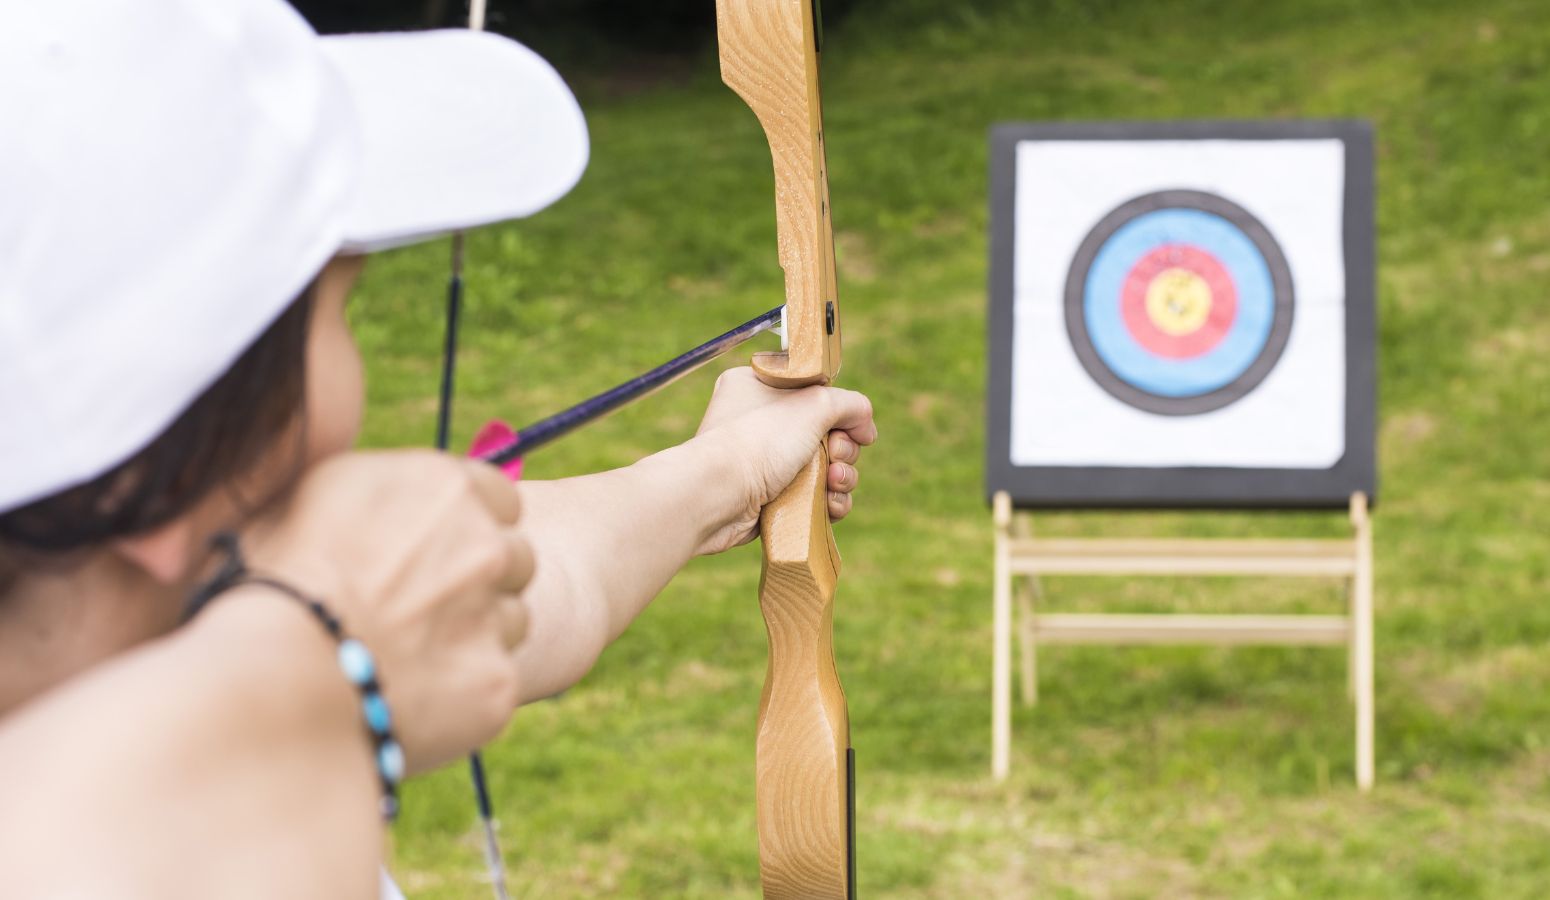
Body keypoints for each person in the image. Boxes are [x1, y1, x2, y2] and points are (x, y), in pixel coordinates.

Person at [0, 1, 877, 897]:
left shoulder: (205, 604)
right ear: (169, 464)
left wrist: (726, 470)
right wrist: (318, 667)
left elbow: (528, 577)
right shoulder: (203, 753)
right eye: (339, 307)